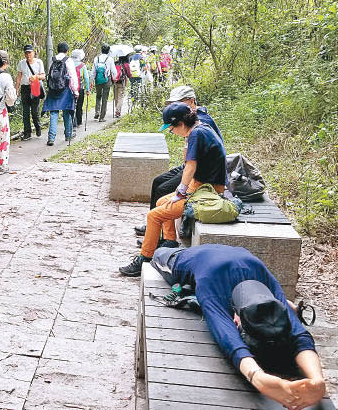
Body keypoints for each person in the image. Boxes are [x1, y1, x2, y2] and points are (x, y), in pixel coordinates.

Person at [150, 244, 326, 410]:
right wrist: (258, 378)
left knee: (285, 306)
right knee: (157, 254)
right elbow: (227, 337)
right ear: (235, 317)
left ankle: (287, 304)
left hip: (236, 256)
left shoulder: (268, 289)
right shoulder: (211, 288)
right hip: (183, 258)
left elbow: (299, 334)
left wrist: (318, 381)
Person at [120, 102, 226, 274]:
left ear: (181, 124)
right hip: (202, 186)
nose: (172, 132)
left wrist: (181, 191)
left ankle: (144, 258)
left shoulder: (196, 135)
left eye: (171, 128)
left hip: (207, 193)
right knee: (162, 201)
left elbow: (190, 166)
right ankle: (169, 242)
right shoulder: (201, 128)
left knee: (154, 215)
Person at [134, 85, 222, 236]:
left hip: (202, 172)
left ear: (192, 101)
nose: (176, 106)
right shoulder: (190, 119)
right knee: (158, 181)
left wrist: (182, 189)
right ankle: (154, 228)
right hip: (191, 165)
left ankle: (158, 232)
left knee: (163, 190)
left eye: (180, 102)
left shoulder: (200, 122)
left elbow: (195, 162)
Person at [41, 42, 79, 145]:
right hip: (65, 89)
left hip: (53, 89)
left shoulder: (53, 59)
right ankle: (68, 134)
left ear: (57, 50)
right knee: (66, 111)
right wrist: (75, 91)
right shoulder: (68, 60)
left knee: (54, 113)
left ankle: (51, 138)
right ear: (67, 51)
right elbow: (73, 76)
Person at [15, 44, 45, 140]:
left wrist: (36, 77)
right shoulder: (21, 63)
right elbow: (19, 77)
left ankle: (38, 126)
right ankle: (27, 132)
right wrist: (16, 89)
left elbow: (43, 76)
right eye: (26, 53)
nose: (28, 55)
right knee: (25, 111)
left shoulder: (38, 62)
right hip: (25, 88)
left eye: (30, 53)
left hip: (35, 87)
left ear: (33, 52)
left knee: (35, 110)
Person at [91, 44, 117, 122]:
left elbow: (93, 71)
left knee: (98, 96)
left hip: (97, 79)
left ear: (101, 50)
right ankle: (102, 117)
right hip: (107, 80)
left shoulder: (96, 58)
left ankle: (97, 112)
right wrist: (114, 78)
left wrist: (92, 80)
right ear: (108, 51)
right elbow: (114, 71)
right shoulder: (110, 59)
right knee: (105, 98)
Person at [71, 49, 90, 129]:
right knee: (79, 105)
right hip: (80, 88)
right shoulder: (82, 65)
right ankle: (79, 121)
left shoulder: (69, 63)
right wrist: (87, 89)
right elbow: (86, 78)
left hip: (71, 88)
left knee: (71, 105)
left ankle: (72, 121)